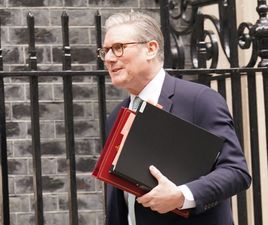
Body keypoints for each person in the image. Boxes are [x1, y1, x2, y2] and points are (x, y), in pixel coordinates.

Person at [97, 11, 251, 225]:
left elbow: (236, 172)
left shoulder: (199, 99)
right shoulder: (116, 116)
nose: (109, 58)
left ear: (151, 49)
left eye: (118, 48)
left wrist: (181, 196)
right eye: (105, 51)